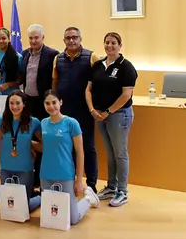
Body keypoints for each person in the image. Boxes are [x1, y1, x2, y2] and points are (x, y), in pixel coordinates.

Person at [86, 32, 137, 207]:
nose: (110, 46)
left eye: (113, 43)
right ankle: (111, 186)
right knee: (110, 152)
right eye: (107, 42)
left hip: (119, 115)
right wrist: (93, 109)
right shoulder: (98, 65)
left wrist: (108, 111)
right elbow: (89, 89)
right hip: (100, 115)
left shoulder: (126, 67)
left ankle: (122, 191)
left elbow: (125, 95)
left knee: (120, 153)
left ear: (120, 45)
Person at [40, 90, 99, 225]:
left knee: (72, 219)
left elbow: (80, 152)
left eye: (54, 102)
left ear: (60, 102)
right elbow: (44, 147)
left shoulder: (71, 123)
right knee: (50, 216)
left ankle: (88, 199)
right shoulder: (43, 123)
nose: (51, 106)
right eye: (47, 103)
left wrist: (78, 181)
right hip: (46, 174)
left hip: (65, 174)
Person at [52, 26, 100, 192]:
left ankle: (92, 184)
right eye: (68, 38)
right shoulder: (58, 58)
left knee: (88, 147)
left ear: (80, 39)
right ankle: (70, 180)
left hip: (84, 109)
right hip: (65, 110)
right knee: (67, 146)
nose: (71, 40)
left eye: (75, 37)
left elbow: (98, 83)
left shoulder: (92, 56)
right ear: (64, 40)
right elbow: (55, 83)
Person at [18, 24, 59, 187]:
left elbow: (56, 79)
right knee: (31, 138)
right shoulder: (24, 54)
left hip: (44, 103)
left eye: (36, 37)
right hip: (29, 102)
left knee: (45, 138)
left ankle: (45, 174)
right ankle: (33, 175)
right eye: (31, 38)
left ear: (43, 37)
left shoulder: (53, 54)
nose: (33, 40)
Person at [0, 90, 42, 212]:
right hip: (6, 167)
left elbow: (42, 145)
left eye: (18, 103)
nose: (14, 107)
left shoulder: (34, 122)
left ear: (24, 104)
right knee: (8, 204)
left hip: (24, 168)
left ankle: (40, 198)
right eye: (11, 103)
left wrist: (29, 144)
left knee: (23, 207)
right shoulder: (3, 121)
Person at [0, 28, 22, 96]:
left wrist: (8, 84)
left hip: (10, 93)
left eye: (4, 38)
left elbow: (21, 79)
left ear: (9, 39)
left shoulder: (17, 56)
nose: (1, 41)